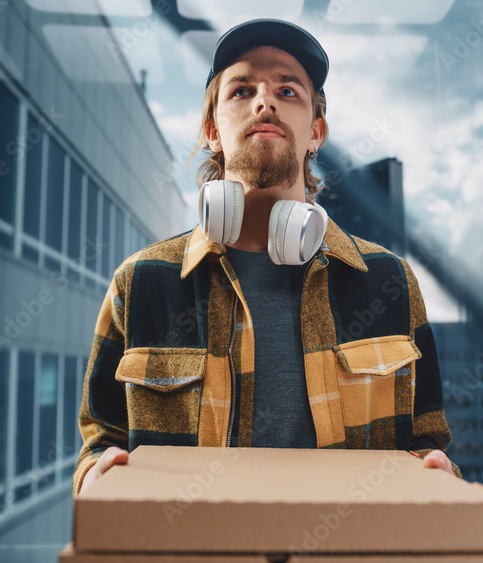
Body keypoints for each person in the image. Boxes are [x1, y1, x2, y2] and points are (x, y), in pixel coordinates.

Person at [74, 19, 460, 496]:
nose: (265, 101)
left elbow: (426, 440)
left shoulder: (387, 280)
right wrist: (95, 473)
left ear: (316, 132)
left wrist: (437, 472)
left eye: (288, 90)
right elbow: (100, 441)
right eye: (241, 90)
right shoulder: (141, 282)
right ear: (213, 131)